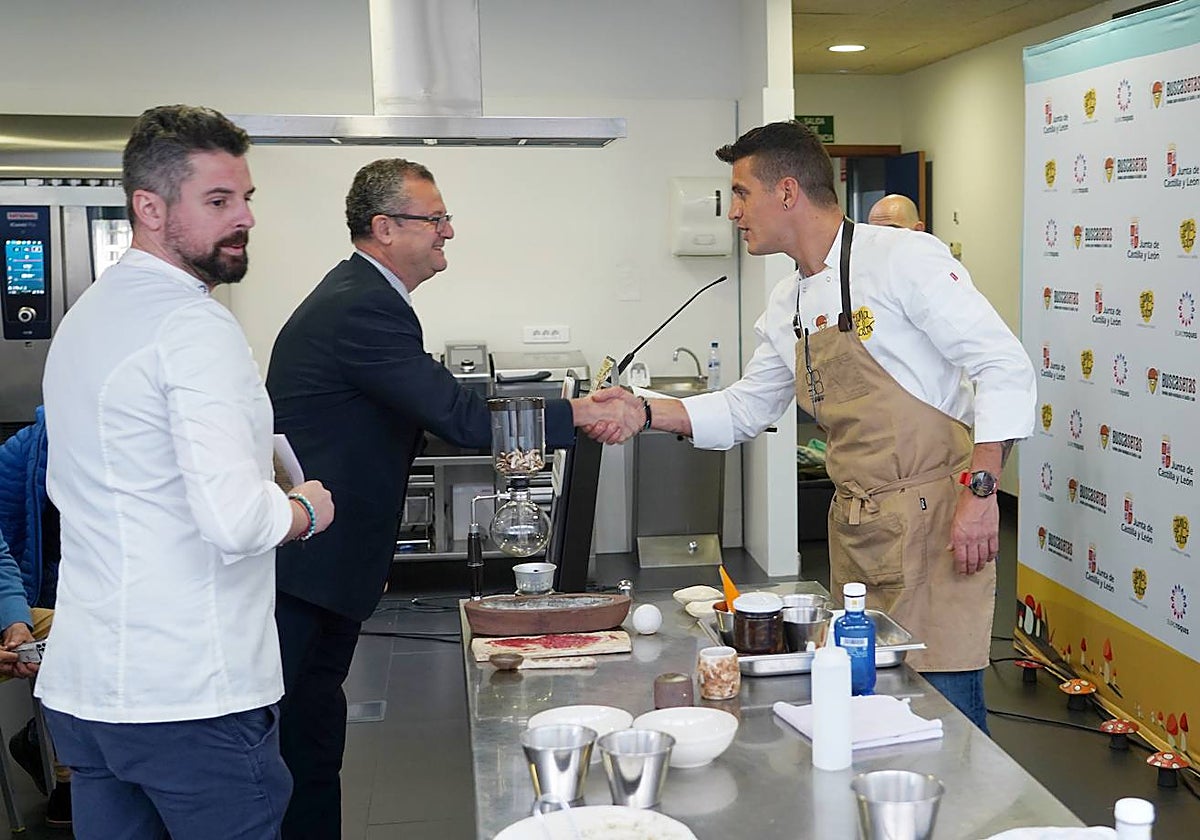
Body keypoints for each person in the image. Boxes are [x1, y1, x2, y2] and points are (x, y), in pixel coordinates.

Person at [593, 121, 1036, 731]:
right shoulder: (788, 301)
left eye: (742, 193)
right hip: (857, 529)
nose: (735, 213)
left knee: (943, 716)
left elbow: (1003, 364)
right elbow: (746, 408)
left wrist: (982, 494)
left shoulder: (903, 258)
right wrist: (640, 410)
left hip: (937, 521)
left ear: (787, 192)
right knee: (866, 705)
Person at [265, 158, 641, 838]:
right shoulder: (362, 305)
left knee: (312, 733)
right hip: (310, 565)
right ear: (384, 228)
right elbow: (461, 418)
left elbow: (440, 407)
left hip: (324, 559)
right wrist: (581, 410)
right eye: (434, 219)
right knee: (299, 740)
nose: (450, 232)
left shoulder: (366, 298)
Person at [37, 104, 335, 840]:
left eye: (246, 198)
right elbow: (235, 519)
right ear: (149, 207)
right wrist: (303, 509)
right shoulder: (194, 327)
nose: (245, 219)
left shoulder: (87, 317)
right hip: (193, 699)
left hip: (88, 696)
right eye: (218, 201)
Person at [0, 407, 71, 827]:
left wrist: (16, 620)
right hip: (53, 575)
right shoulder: (20, 454)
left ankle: (70, 774)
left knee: (73, 636)